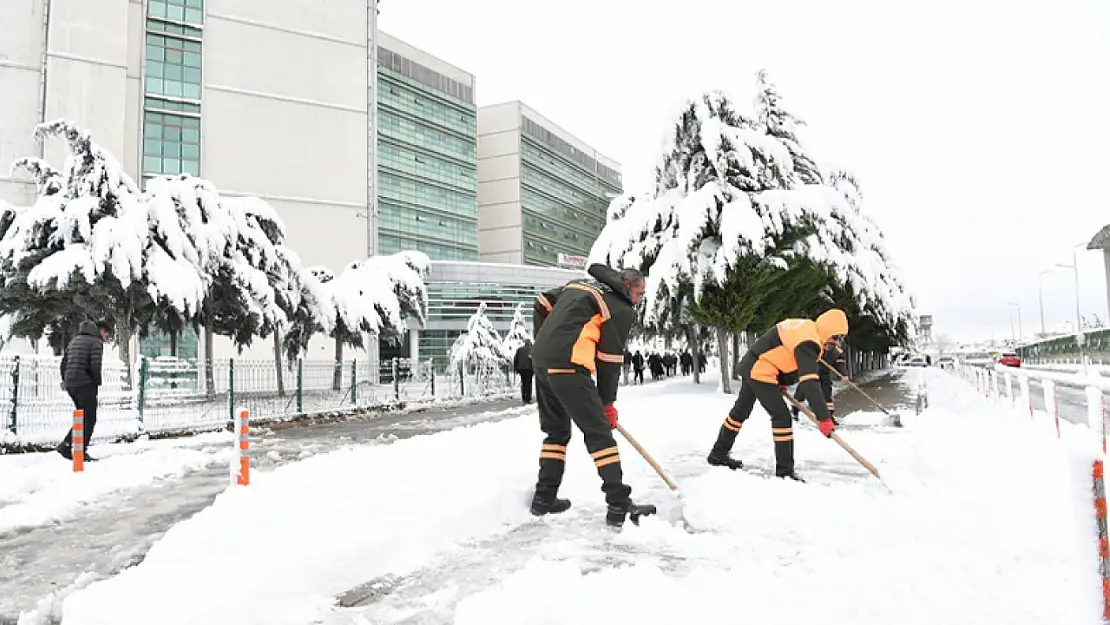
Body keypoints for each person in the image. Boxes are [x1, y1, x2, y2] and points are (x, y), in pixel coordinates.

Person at [529, 264, 656, 527]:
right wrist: (606, 403)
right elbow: (609, 359)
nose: (640, 299)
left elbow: (541, 302)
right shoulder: (619, 308)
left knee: (556, 433)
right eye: (640, 293)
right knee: (599, 433)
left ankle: (544, 499)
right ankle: (619, 503)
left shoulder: (579, 285)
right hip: (569, 365)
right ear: (629, 288)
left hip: (541, 363)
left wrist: (544, 341)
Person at [707, 309, 849, 481]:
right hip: (761, 370)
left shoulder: (808, 329)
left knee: (740, 412)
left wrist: (780, 380)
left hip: (756, 364)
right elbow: (810, 382)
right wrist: (824, 417)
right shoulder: (809, 342)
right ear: (827, 329)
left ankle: (718, 453)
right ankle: (785, 472)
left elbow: (782, 350)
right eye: (835, 337)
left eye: (840, 338)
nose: (836, 342)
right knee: (781, 417)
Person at [57, 319, 111, 462]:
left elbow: (63, 363)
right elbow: (95, 365)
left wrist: (66, 380)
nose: (107, 337)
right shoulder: (95, 342)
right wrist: (96, 383)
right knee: (90, 418)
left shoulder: (75, 340)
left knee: (81, 416)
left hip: (72, 385)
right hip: (85, 384)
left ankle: (67, 445)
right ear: (100, 330)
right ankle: (81, 451)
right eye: (107, 333)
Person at [793, 337, 848, 425]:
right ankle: (795, 412)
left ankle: (829, 416)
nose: (836, 342)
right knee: (802, 392)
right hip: (810, 372)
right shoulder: (818, 344)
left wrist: (843, 374)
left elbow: (840, 363)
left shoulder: (838, 351)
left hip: (824, 374)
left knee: (827, 394)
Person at [514, 339, 534, 404]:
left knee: (523, 383)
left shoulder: (519, 350)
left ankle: (523, 398)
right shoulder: (532, 349)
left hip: (521, 369)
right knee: (529, 383)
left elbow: (515, 359)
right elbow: (534, 360)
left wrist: (516, 369)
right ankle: (528, 398)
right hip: (529, 369)